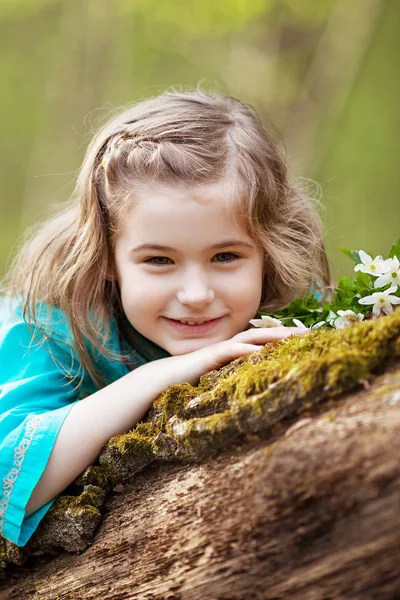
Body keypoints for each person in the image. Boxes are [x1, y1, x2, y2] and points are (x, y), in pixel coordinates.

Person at [0, 88, 331, 547]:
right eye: (159, 261)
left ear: (269, 251)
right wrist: (157, 377)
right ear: (106, 260)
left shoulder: (290, 305)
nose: (196, 295)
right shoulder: (48, 327)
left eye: (226, 256)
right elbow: (6, 477)